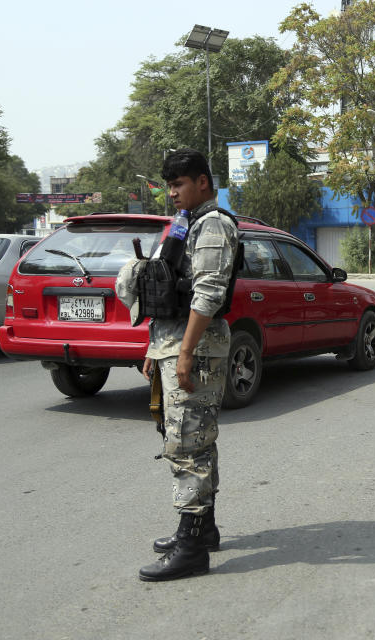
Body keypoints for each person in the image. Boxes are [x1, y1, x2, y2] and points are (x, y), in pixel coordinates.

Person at [115, 149, 238, 581]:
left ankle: (191, 548)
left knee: (187, 445)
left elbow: (207, 294)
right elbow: (168, 292)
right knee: (193, 439)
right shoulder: (186, 225)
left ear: (203, 182)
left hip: (197, 348)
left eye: (179, 185)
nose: (172, 194)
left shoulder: (213, 226)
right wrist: (156, 348)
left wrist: (184, 352)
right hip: (174, 343)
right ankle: (203, 532)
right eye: (169, 186)